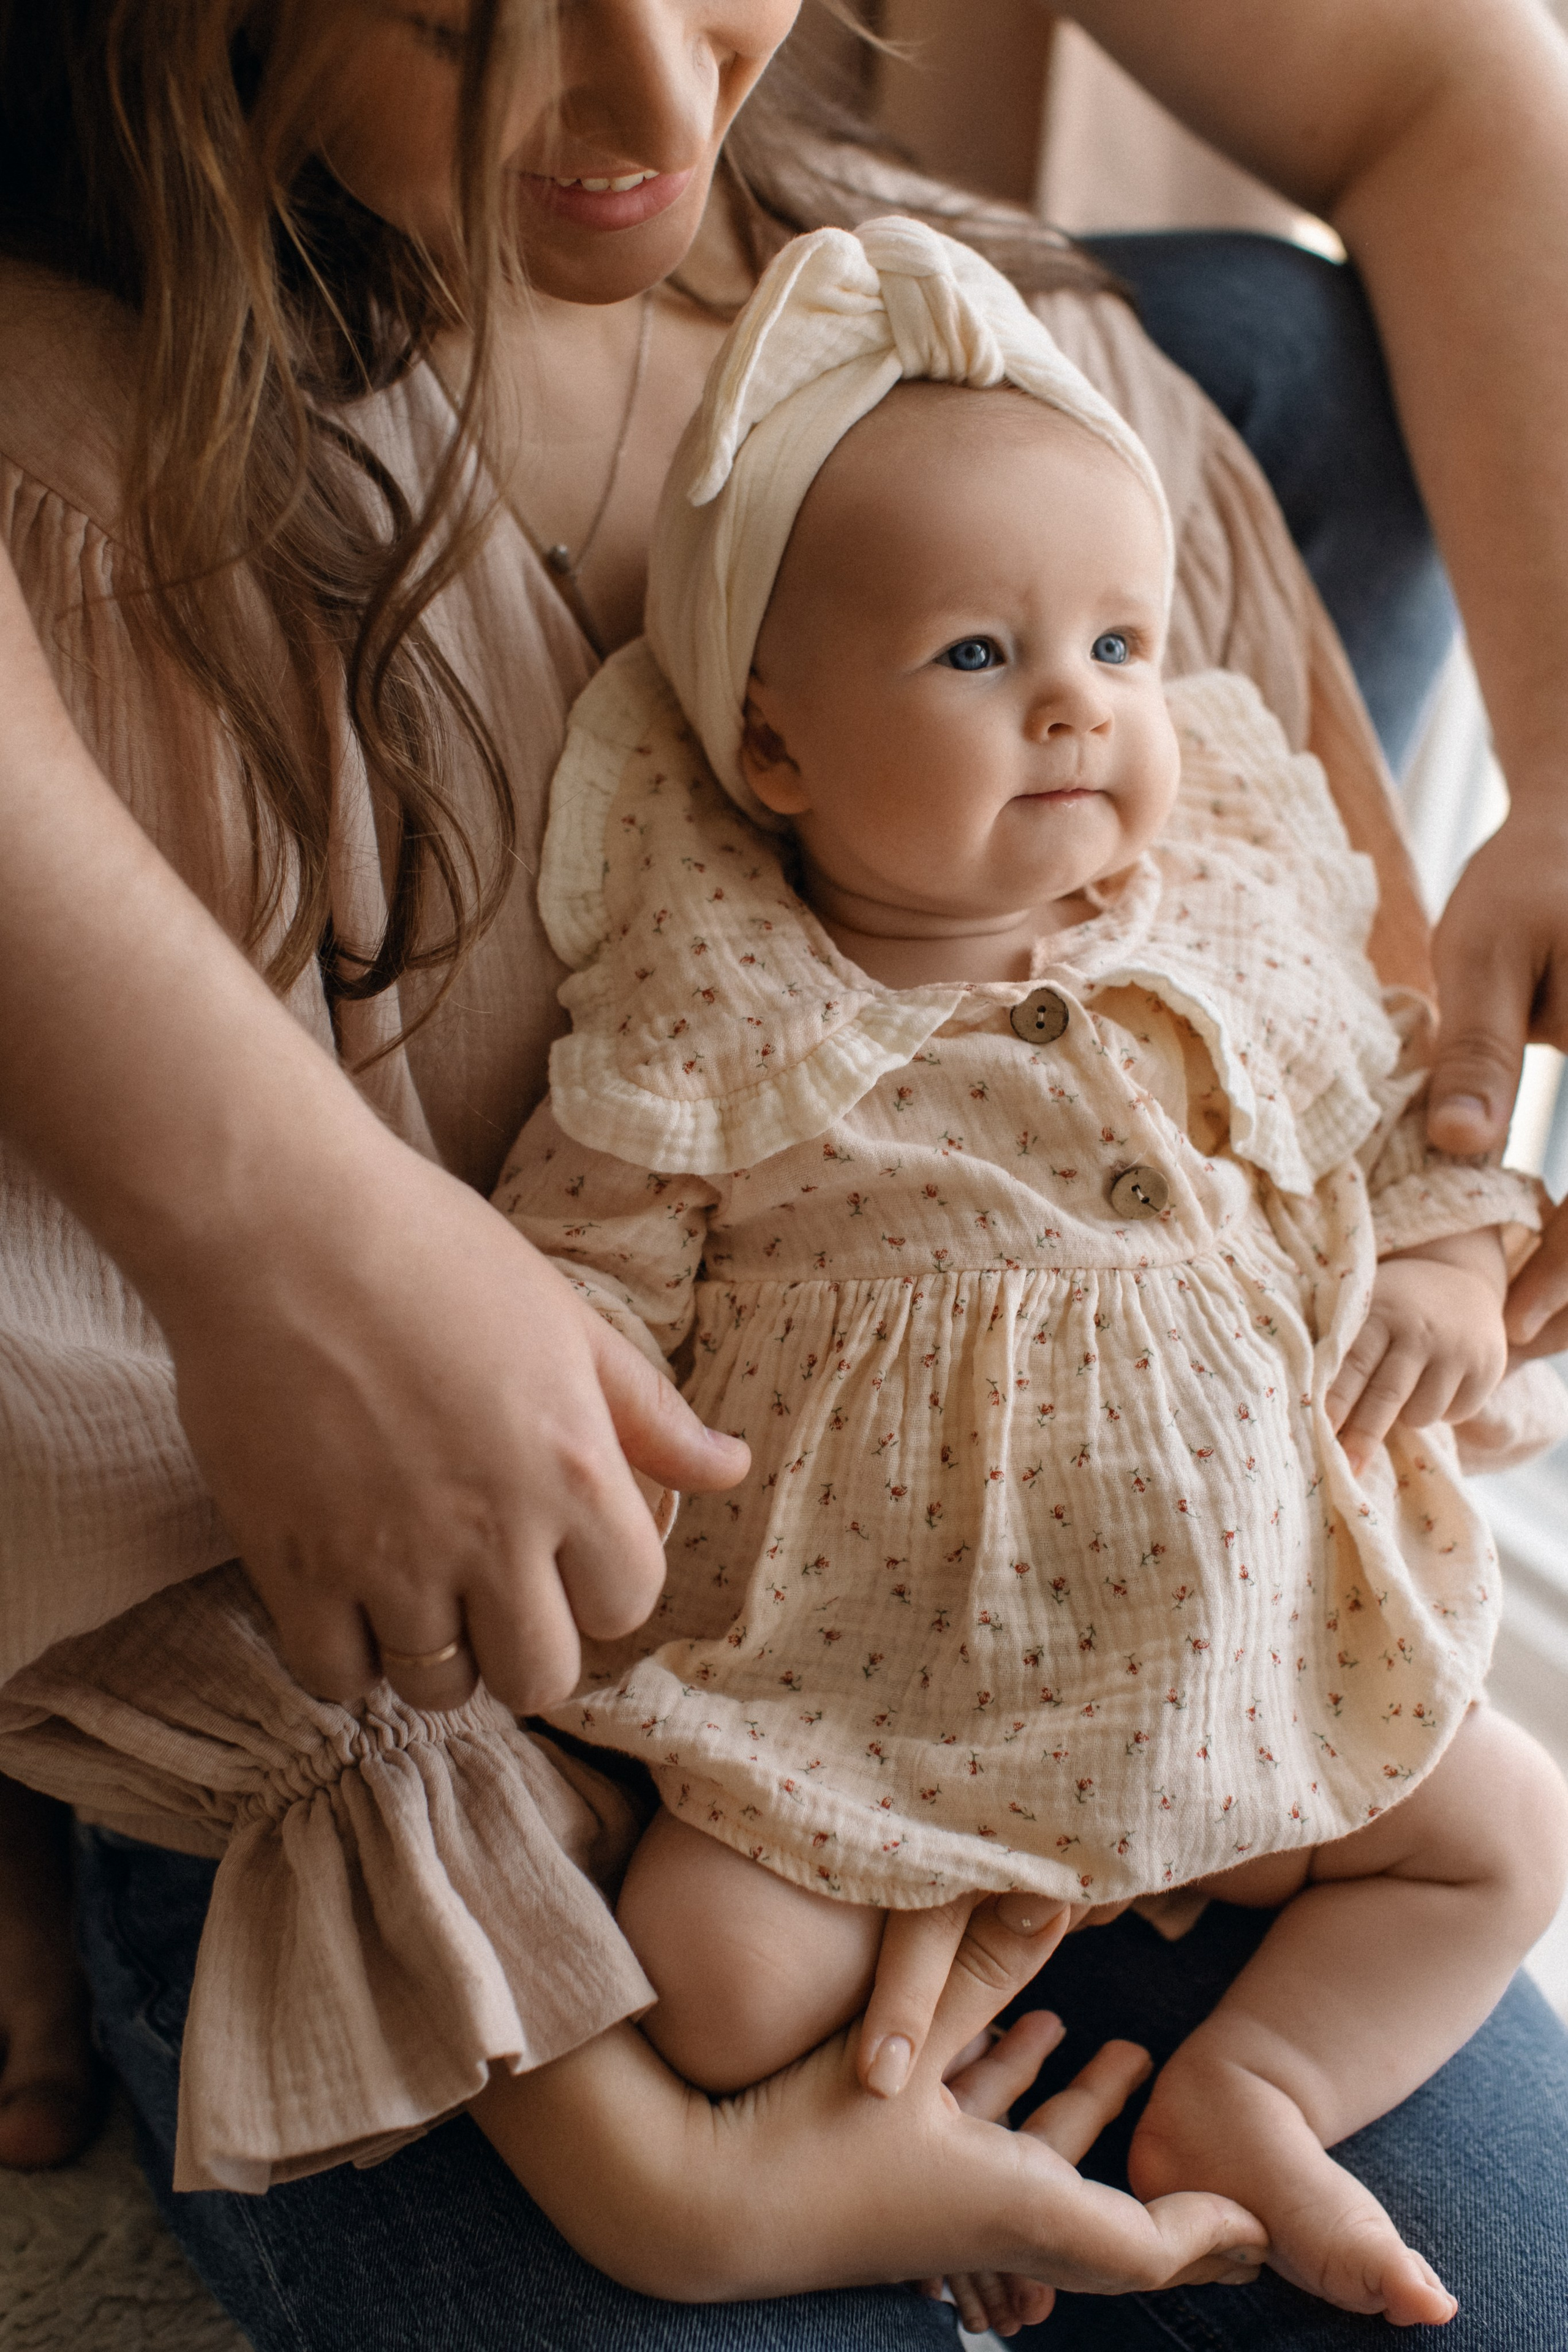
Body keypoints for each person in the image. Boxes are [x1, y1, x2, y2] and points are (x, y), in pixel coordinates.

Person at [1, 2, 1567, 2346]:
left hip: (1200, 1675)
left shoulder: (1039, 404)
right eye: (461, 18)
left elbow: (1449, 78)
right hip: (594, 1756)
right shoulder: (121, 534)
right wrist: (679, 2184)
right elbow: (379, 1557)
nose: (666, 111)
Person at [490, 216, 1568, 2331]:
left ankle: (1247, 2090)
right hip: (874, 1692)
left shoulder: (1223, 925)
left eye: (1124, 649)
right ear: (777, 754)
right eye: (981, 660)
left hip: (1258, 1645)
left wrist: (1447, 1262)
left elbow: (1390, 1111)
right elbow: (573, 1281)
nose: (1079, 705)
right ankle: (926, 2116)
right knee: (704, 1993)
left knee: (1506, 1835)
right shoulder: (711, 1019)